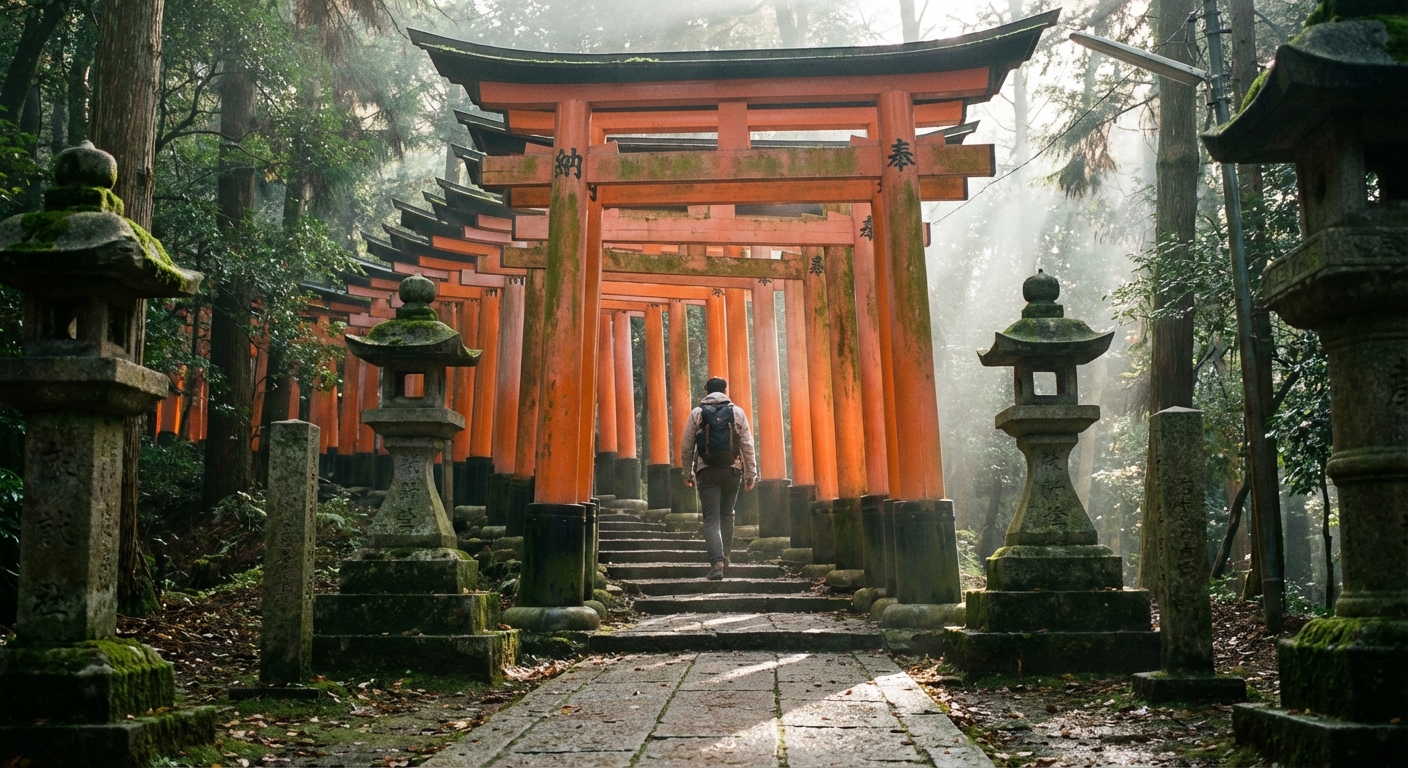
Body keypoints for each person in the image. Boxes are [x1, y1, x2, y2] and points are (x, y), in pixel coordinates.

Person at [681, 376, 758, 581]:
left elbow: (687, 445)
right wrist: (751, 474)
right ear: (725, 390)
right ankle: (726, 557)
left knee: (711, 518)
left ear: (706, 391)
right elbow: (747, 445)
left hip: (706, 471)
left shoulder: (697, 413)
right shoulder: (737, 412)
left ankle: (716, 564)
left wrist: (687, 472)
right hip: (732, 470)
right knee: (727, 513)